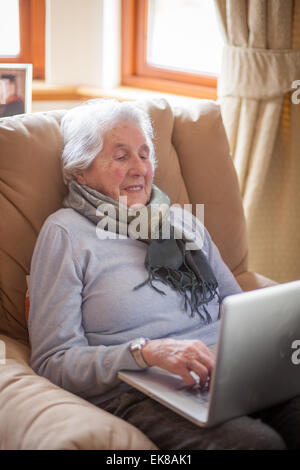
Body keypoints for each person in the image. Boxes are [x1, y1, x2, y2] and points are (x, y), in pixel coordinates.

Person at [28, 99, 299, 450]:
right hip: (141, 392)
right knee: (256, 445)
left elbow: (237, 307)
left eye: (145, 154)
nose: (139, 168)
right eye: (121, 156)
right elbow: (54, 360)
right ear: (81, 170)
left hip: (227, 378)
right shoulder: (65, 233)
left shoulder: (182, 222)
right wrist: (145, 352)